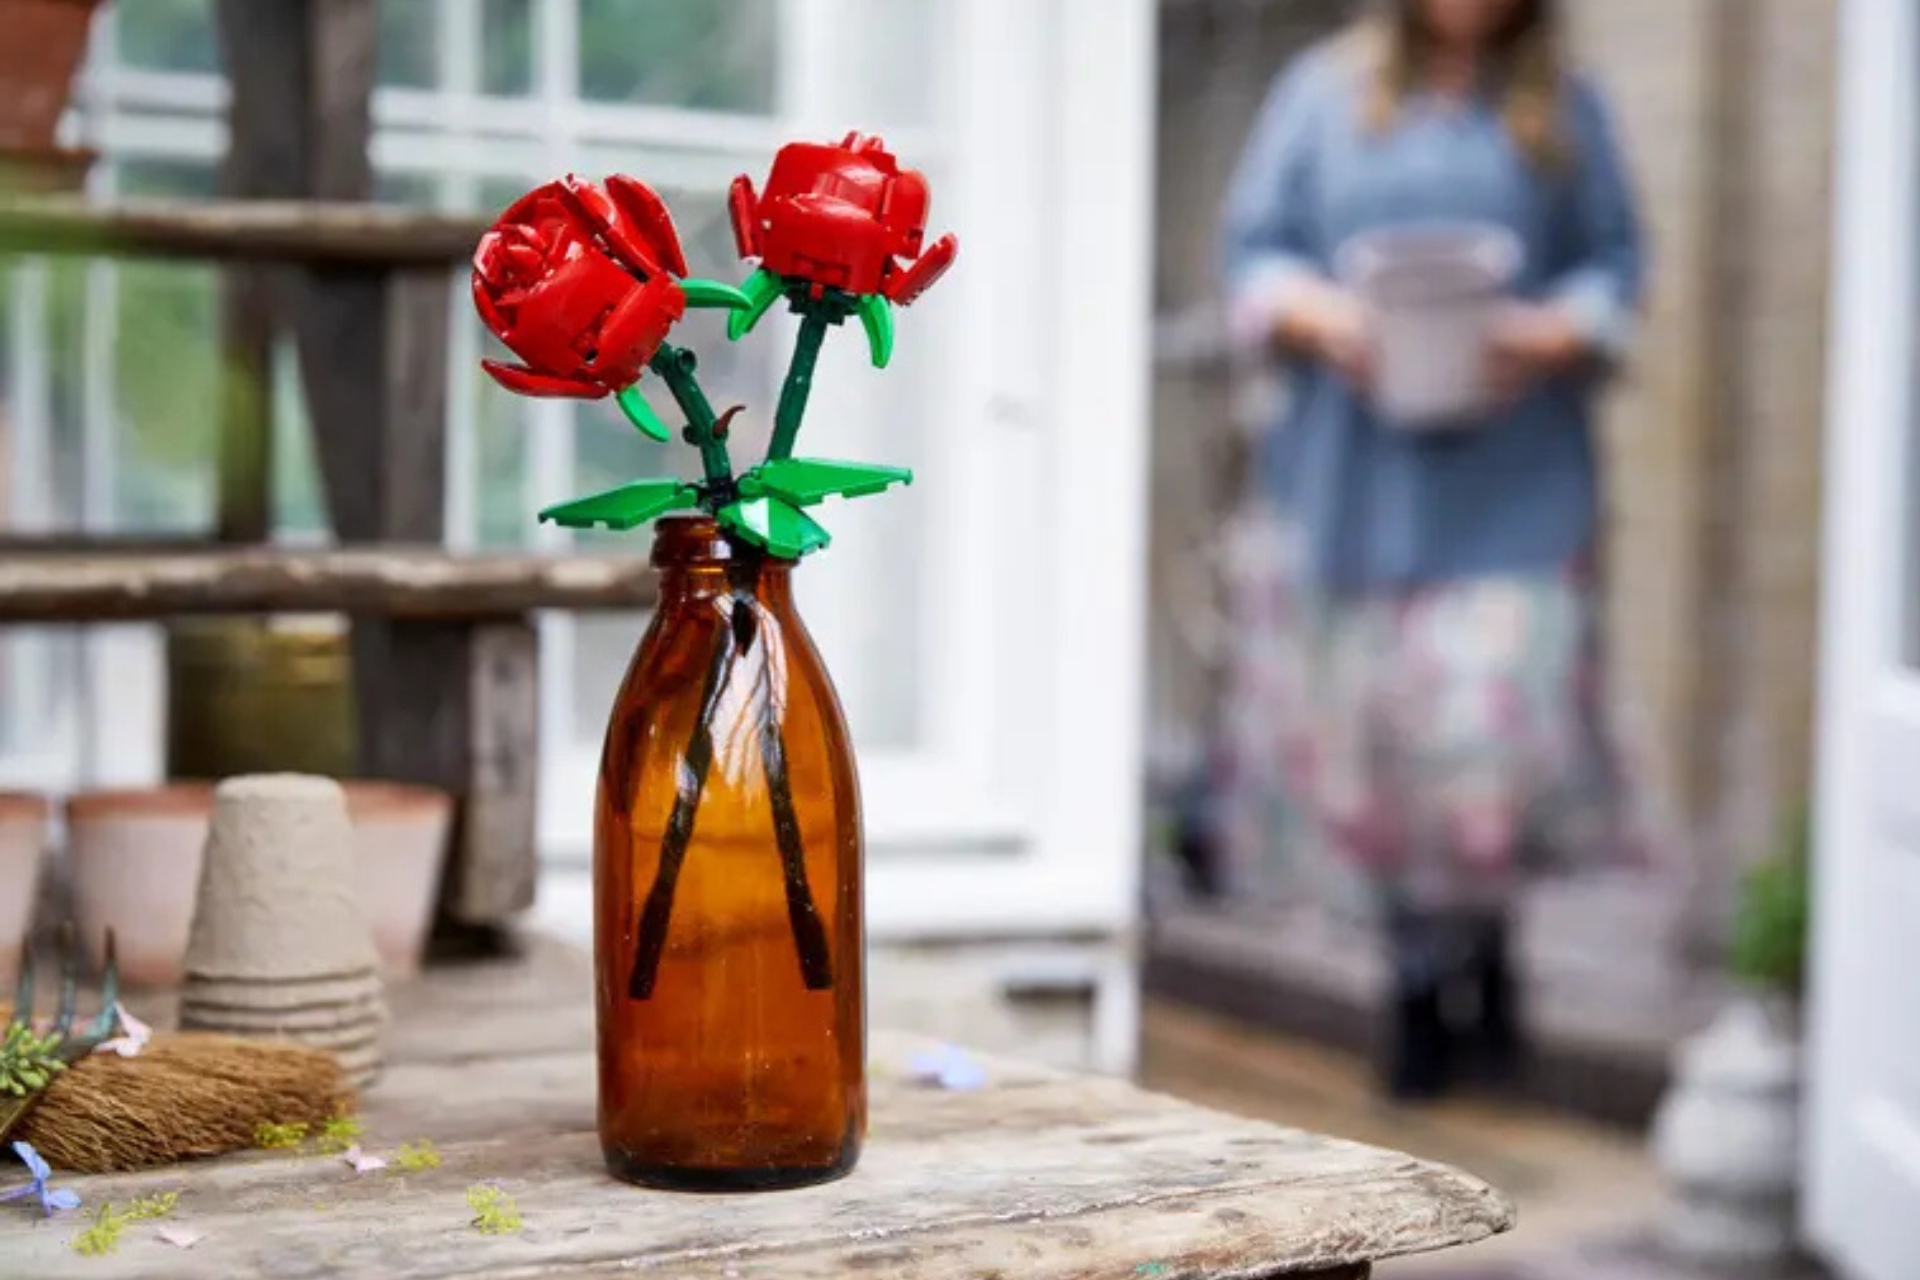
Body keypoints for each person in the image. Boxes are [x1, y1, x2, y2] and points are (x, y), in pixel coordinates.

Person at [1218, 0, 1650, 1099]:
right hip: (1357, 484)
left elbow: (1617, 268)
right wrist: (1324, 319)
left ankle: (1484, 943)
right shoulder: (1322, 95)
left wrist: (1547, 333)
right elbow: (1253, 256)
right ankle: (1420, 978)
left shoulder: (1565, 105)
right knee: (1386, 744)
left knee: (1486, 741)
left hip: (1513, 491)